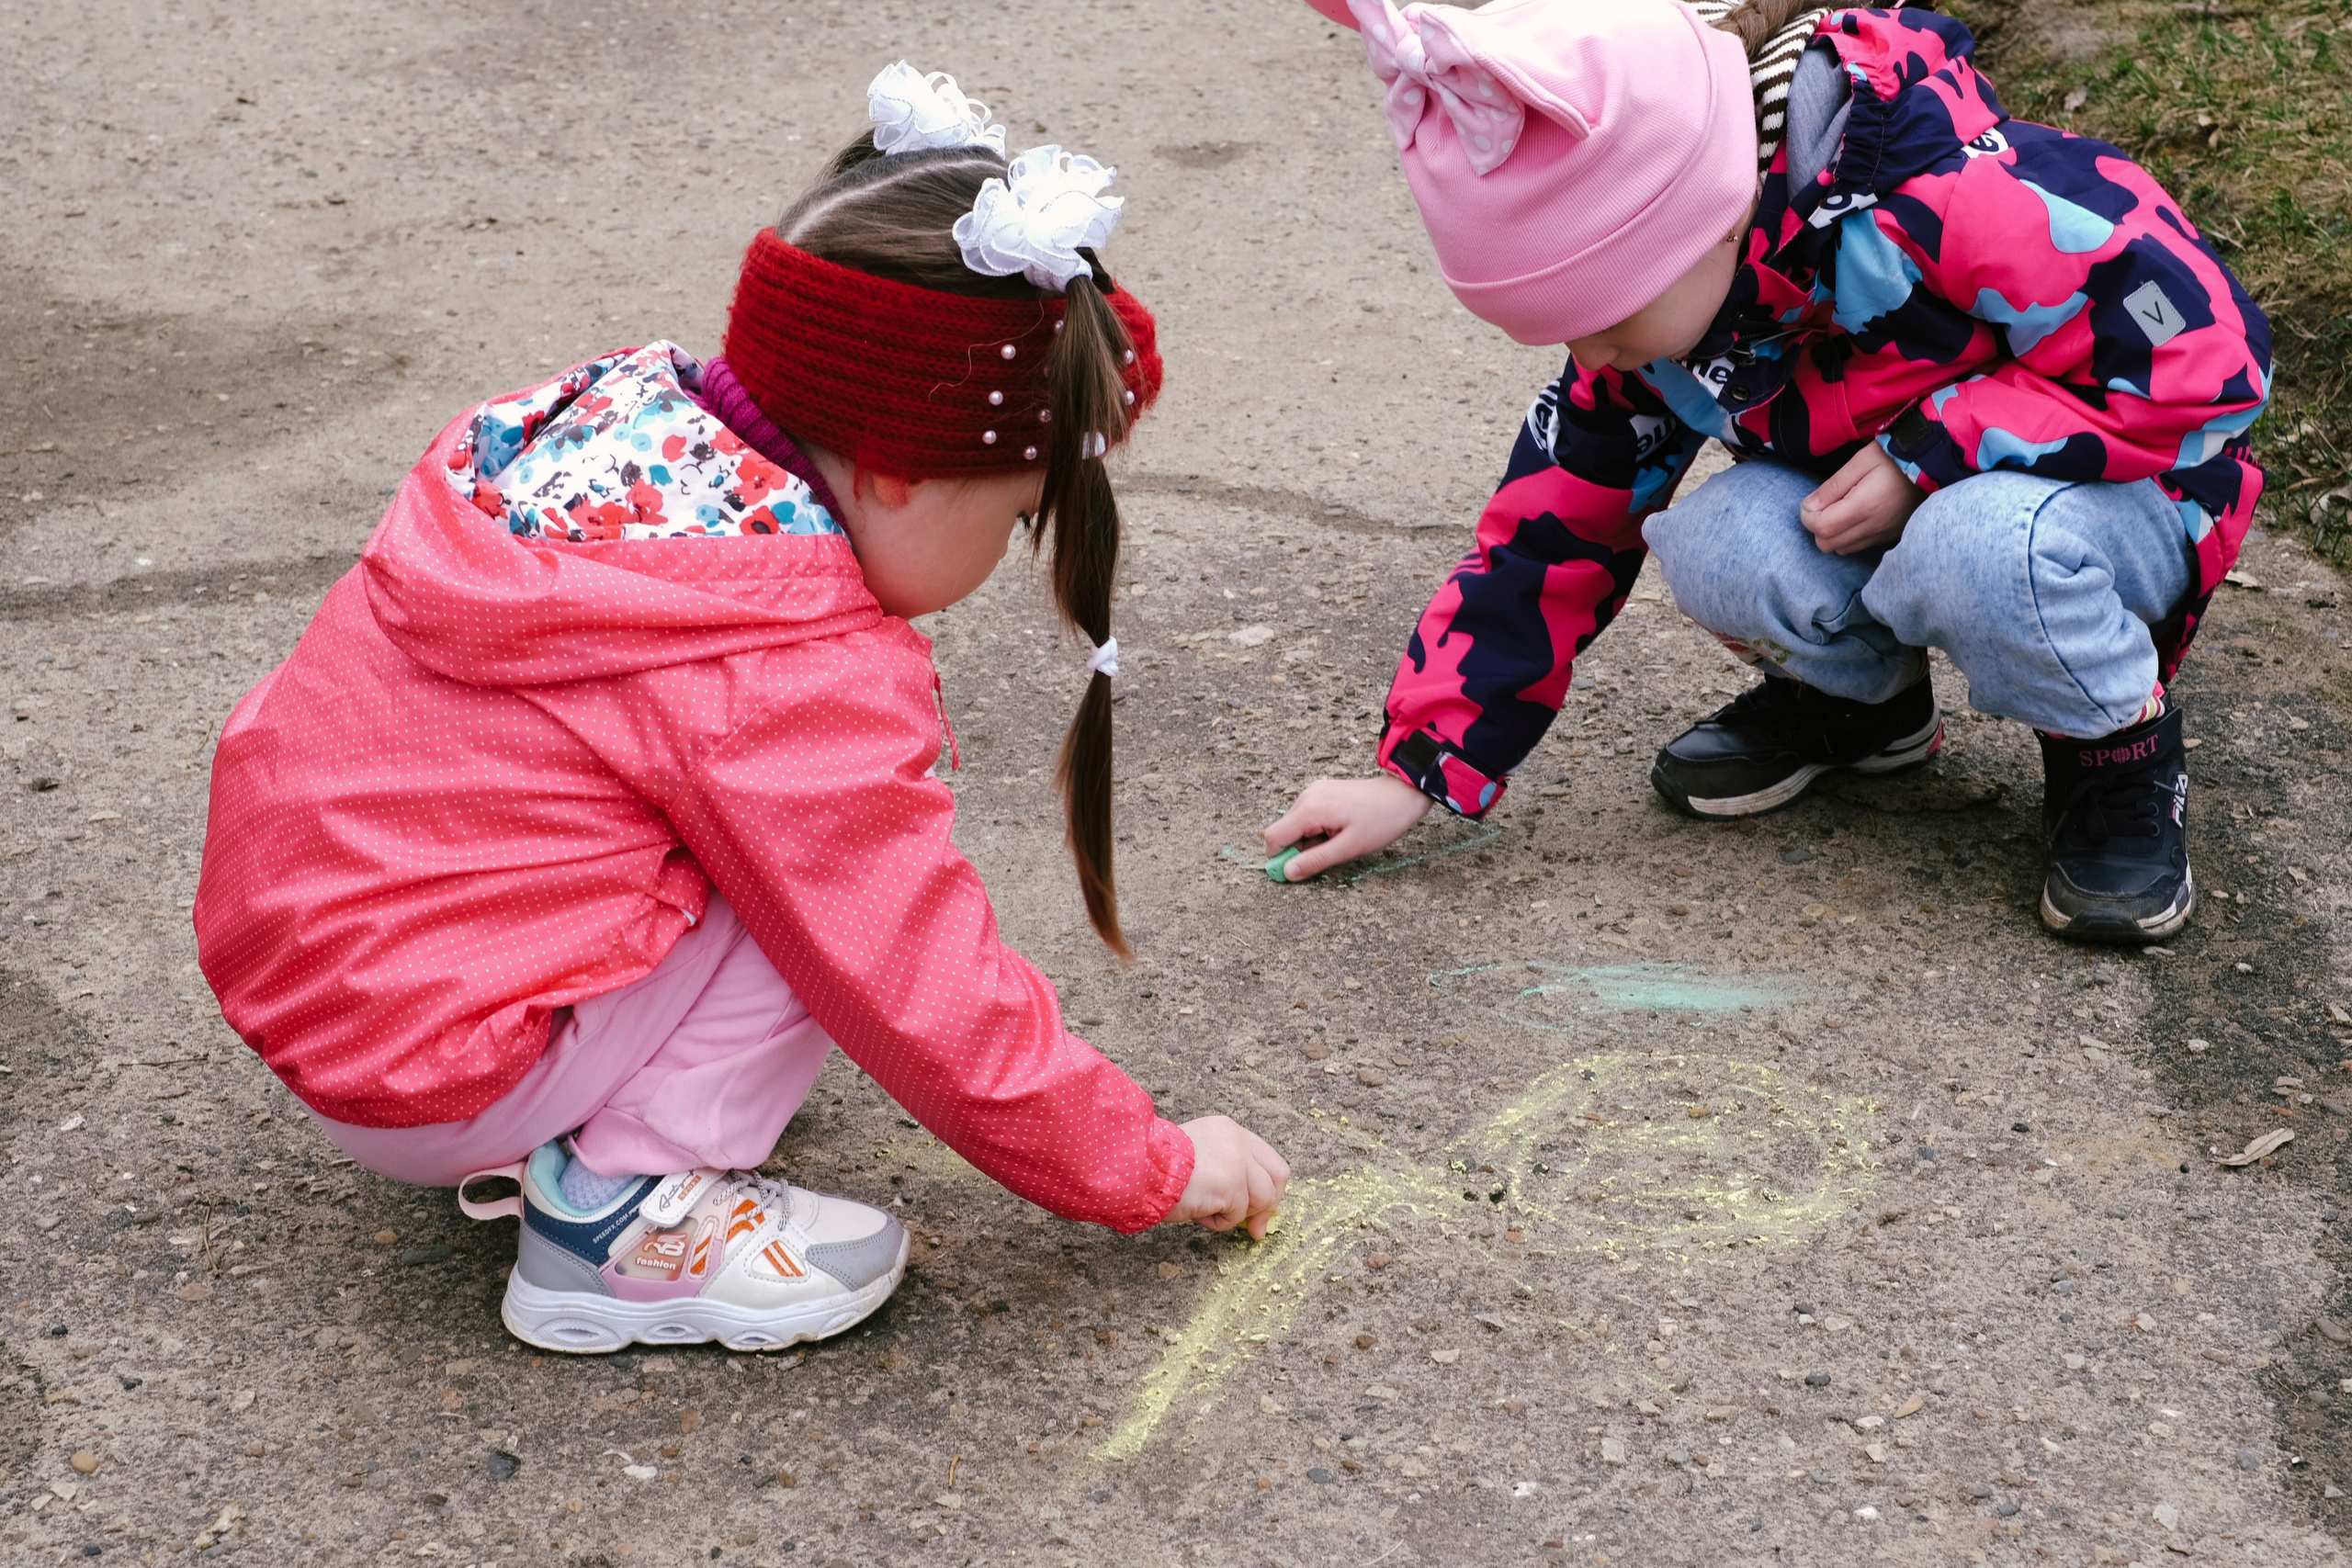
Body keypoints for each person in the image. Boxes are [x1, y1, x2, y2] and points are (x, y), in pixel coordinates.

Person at [193, 64, 1288, 1355]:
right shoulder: (775, 663)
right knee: (820, 892)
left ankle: (603, 1093)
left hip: (343, 981)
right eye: (1014, 511)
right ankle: (617, 1218)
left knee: (757, 845)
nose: (1004, 553)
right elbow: (913, 976)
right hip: (438, 1072)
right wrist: (1146, 1161)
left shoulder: (619, 448)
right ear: (890, 474)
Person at [1264, 0, 2268, 943]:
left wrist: (1928, 453)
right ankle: (1864, 710)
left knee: (1980, 546)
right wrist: (1419, 772)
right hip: (1896, 509)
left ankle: (2114, 759)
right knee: (1718, 543)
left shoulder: (1955, 197)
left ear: (1701, 221)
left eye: (1606, 320)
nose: (1598, 355)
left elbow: (2212, 361)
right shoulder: (1665, 320)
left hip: (2128, 502)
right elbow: (1552, 533)